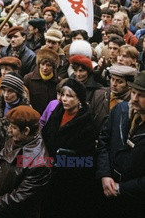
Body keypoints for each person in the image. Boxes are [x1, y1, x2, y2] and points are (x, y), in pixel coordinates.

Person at [41, 78, 96, 218]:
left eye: (70, 96)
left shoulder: (86, 123)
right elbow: (45, 135)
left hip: (70, 180)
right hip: (49, 172)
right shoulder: (57, 112)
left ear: (79, 100)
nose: (64, 99)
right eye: (63, 95)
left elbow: (86, 158)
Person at [0, 106, 51, 218]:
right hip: (0, 207)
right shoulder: (18, 139)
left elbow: (20, 198)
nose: (9, 130)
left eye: (13, 127)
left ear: (26, 131)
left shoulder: (40, 163)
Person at [96, 70, 145, 218]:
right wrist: (105, 174)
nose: (134, 99)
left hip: (136, 202)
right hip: (106, 194)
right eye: (133, 92)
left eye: (141, 95)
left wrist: (121, 188)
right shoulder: (120, 110)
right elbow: (103, 141)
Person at [0, 73, 30, 163]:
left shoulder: (26, 112)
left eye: (10, 91)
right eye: (4, 90)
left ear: (17, 92)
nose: (6, 95)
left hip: (12, 157)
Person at [90, 64, 137, 136]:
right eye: (112, 79)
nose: (114, 84)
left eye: (119, 81)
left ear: (129, 85)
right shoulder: (99, 94)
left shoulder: (133, 102)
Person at [24, 48, 59, 114]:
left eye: (48, 65)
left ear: (53, 67)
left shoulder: (58, 82)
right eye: (42, 64)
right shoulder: (28, 79)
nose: (45, 68)